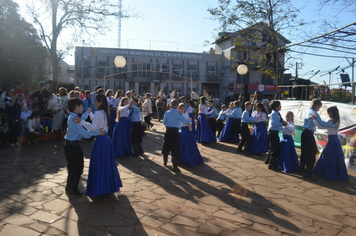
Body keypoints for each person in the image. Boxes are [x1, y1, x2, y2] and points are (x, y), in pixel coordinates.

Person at [74, 94, 123, 198]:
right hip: (106, 141)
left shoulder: (99, 113)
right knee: (106, 165)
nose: (93, 103)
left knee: (99, 164)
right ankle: (108, 187)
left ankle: (100, 189)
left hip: (100, 142)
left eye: (95, 101)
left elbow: (93, 127)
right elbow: (98, 123)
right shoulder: (105, 112)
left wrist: (81, 121)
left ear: (100, 103)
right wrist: (91, 114)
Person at [63, 98, 104, 196]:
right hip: (72, 146)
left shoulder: (74, 116)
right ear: (76, 107)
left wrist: (87, 112)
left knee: (75, 167)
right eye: (81, 106)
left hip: (72, 145)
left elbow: (81, 119)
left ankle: (71, 187)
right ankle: (71, 189)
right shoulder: (73, 119)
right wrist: (98, 132)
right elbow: (85, 134)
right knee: (76, 168)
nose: (82, 108)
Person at [300, 99, 336, 181]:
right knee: (311, 153)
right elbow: (321, 123)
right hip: (309, 133)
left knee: (305, 152)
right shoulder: (314, 113)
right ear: (316, 105)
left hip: (305, 133)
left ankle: (302, 168)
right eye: (319, 107)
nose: (319, 109)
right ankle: (307, 172)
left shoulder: (308, 111)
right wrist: (333, 125)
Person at [312, 106, 348, 181]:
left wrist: (316, 119)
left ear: (332, 113)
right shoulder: (335, 121)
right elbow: (322, 126)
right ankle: (334, 172)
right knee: (333, 157)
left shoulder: (333, 122)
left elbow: (322, 125)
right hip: (334, 140)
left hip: (332, 140)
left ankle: (331, 173)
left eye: (329, 113)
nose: (328, 114)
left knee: (329, 157)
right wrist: (315, 120)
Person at [162, 99, 191, 172]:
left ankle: (165, 161)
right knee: (175, 147)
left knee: (166, 146)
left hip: (168, 131)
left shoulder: (167, 112)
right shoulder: (179, 114)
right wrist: (190, 120)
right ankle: (174, 166)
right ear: (177, 106)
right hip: (175, 132)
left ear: (171, 105)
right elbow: (184, 121)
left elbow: (164, 122)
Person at [177, 103, 204, 167]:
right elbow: (180, 124)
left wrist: (189, 123)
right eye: (181, 108)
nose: (182, 110)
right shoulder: (178, 114)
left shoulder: (186, 113)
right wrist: (187, 122)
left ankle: (191, 158)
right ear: (178, 108)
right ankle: (181, 159)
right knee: (181, 146)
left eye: (183, 108)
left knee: (190, 145)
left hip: (187, 130)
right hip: (182, 131)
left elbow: (189, 120)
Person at [265, 101, 286, 171]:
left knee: (274, 148)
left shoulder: (275, 113)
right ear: (276, 107)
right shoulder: (275, 114)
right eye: (280, 106)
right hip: (273, 132)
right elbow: (273, 124)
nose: (281, 107)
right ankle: (272, 165)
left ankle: (270, 162)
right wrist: (281, 123)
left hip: (274, 132)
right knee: (274, 149)